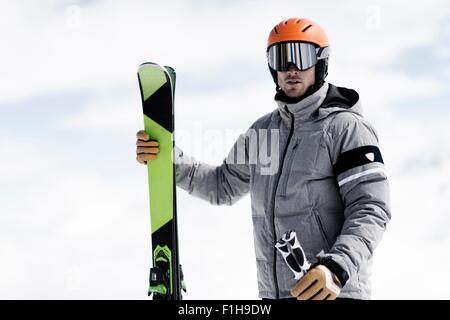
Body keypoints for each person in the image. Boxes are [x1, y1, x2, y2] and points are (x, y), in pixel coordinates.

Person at [136, 17, 391, 300]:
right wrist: (168, 159)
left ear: (320, 63)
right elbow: (221, 186)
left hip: (332, 292)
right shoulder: (262, 133)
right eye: (281, 58)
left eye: (301, 57)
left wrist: (336, 267)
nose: (291, 69)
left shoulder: (346, 128)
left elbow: (371, 208)